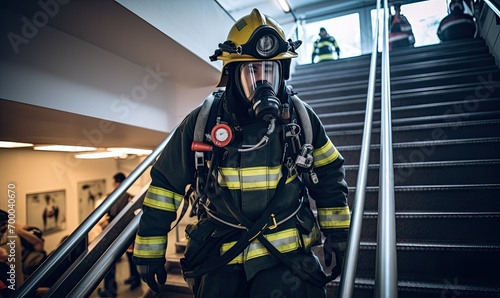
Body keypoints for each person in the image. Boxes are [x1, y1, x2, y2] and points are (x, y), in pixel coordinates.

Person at [133, 8, 350, 298]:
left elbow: (329, 173)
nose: (262, 81)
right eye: (252, 70)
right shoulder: (203, 123)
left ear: (281, 73)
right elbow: (165, 187)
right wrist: (150, 250)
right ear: (232, 73)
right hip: (221, 257)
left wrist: (337, 234)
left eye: (270, 70)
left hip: (284, 259)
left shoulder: (301, 120)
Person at [97, 172, 137, 297]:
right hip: (128, 232)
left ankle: (110, 290)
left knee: (109, 261)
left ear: (115, 182)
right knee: (132, 258)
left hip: (114, 233)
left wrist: (107, 221)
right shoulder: (131, 197)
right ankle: (135, 281)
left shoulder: (111, 197)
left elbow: (111, 215)